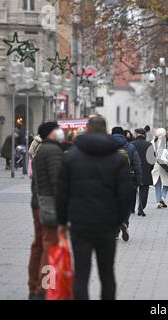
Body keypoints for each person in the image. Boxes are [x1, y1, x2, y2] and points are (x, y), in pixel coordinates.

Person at [57, 116, 134, 300]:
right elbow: (126, 194)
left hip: (79, 224)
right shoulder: (117, 158)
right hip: (107, 224)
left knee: (81, 273)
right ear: (105, 130)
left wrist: (62, 221)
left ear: (87, 129)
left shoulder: (71, 156)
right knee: (107, 273)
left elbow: (61, 192)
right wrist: (120, 220)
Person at [30, 121, 65, 300]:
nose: (60, 132)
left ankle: (34, 285)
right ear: (50, 133)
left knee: (38, 245)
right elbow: (57, 182)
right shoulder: (52, 151)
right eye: (57, 129)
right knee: (49, 246)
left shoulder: (41, 150)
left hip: (38, 203)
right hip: (49, 206)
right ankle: (45, 288)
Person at [112, 127, 142, 242]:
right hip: (128, 179)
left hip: (111, 180)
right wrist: (138, 180)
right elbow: (137, 165)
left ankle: (115, 231)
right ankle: (124, 222)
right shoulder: (130, 146)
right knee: (126, 204)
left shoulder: (107, 145)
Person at [132, 128, 155, 217]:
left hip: (133, 171)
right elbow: (152, 160)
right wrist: (149, 169)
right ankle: (141, 207)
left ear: (137, 134)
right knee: (144, 190)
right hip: (145, 171)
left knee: (133, 190)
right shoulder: (149, 145)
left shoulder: (131, 144)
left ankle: (132, 208)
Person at [152, 128, 168, 209]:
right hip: (165, 165)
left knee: (157, 185)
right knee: (167, 183)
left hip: (156, 166)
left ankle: (159, 202)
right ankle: (162, 198)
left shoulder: (153, 142)